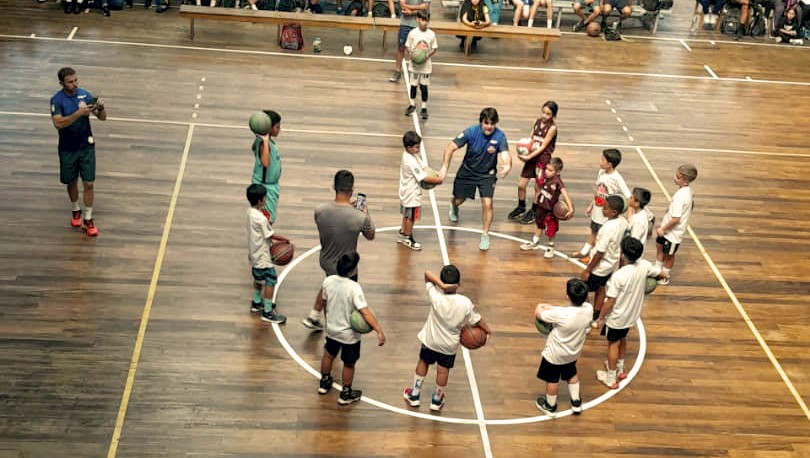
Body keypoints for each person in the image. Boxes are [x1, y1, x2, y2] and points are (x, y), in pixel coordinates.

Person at [403, 266, 491, 411]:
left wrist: (441, 285)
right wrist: (488, 331)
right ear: (459, 283)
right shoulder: (465, 302)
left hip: (431, 340)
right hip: (449, 345)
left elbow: (427, 273)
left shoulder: (435, 296)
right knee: (443, 371)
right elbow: (477, 320)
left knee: (423, 362)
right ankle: (436, 401)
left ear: (442, 282)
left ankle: (414, 395)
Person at [302, 170, 376, 330]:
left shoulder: (319, 210)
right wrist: (365, 213)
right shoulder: (359, 217)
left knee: (328, 285)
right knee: (340, 301)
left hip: (326, 261)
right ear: (352, 189)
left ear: (334, 186)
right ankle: (333, 330)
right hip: (347, 267)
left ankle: (314, 316)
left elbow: (336, 220)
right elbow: (371, 235)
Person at [439, 107, 512, 251]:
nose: (489, 126)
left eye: (492, 123)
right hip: (468, 172)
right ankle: (454, 205)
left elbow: (505, 153)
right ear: (481, 122)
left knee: (487, 204)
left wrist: (507, 165)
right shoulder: (470, 132)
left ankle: (485, 234)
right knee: (459, 200)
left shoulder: (500, 136)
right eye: (486, 123)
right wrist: (445, 167)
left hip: (487, 175)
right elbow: (450, 147)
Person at [318, 252, 385, 405]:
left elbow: (324, 302)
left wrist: (328, 320)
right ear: (353, 270)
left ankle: (324, 383)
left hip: (332, 329)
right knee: (349, 363)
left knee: (328, 354)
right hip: (349, 336)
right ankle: (345, 394)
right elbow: (365, 312)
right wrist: (378, 330)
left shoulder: (328, 281)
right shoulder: (354, 287)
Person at [594, 237, 661, 389]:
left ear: (623, 254)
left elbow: (610, 301)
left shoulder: (619, 276)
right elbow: (661, 274)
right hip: (632, 315)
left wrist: (601, 317)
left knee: (613, 343)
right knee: (622, 338)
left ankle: (611, 378)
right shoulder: (645, 265)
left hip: (617, 317)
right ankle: (620, 369)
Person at [50, 67, 107, 237]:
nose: (74, 84)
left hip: (86, 147)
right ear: (61, 83)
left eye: (76, 80)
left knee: (89, 183)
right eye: (70, 82)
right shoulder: (56, 100)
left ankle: (88, 219)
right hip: (67, 148)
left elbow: (102, 117)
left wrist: (101, 108)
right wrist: (78, 114)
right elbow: (58, 123)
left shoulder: (84, 95)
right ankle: (76, 210)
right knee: (71, 182)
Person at [534, 278, 592, 415]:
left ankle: (550, 406)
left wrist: (541, 305)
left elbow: (539, 313)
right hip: (573, 352)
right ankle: (576, 402)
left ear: (567, 296)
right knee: (571, 373)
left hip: (555, 354)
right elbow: (565, 310)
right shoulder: (588, 309)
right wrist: (553, 308)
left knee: (552, 379)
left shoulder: (561, 314)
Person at [570, 148, 631, 263]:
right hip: (597, 210)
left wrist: (629, 216)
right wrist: (591, 205)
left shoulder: (617, 178)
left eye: (602, 160)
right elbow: (598, 191)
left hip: (606, 214)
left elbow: (629, 196)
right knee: (593, 231)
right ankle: (584, 251)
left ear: (609, 164)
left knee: (601, 236)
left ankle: (592, 255)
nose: (600, 161)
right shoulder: (601, 172)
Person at [580, 195, 627, 327]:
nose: (602, 209)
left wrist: (588, 270)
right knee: (601, 288)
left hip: (600, 267)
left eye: (605, 208)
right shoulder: (623, 222)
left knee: (582, 289)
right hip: (612, 264)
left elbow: (600, 252)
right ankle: (596, 314)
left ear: (614, 212)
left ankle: (585, 315)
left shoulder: (608, 228)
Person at [509, 100, 559, 225]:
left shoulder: (552, 128)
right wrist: (523, 151)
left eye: (548, 114)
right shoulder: (536, 122)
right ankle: (521, 207)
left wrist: (529, 156)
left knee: (538, 187)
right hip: (531, 157)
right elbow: (530, 140)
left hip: (542, 159)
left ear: (553, 115)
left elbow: (543, 146)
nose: (544, 116)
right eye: (543, 112)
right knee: (521, 185)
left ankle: (534, 210)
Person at [245, 184, 289, 324]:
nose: (266, 199)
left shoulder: (249, 212)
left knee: (258, 278)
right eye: (265, 197)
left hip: (254, 253)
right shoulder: (261, 219)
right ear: (260, 200)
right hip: (263, 256)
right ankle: (268, 312)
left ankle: (257, 302)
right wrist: (285, 240)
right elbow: (271, 235)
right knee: (271, 280)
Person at [520, 157, 574, 258]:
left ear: (557, 172)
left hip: (550, 210)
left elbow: (565, 194)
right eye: (546, 169)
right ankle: (535, 242)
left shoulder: (557, 182)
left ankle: (551, 246)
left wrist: (570, 207)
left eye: (550, 170)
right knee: (539, 225)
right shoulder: (544, 177)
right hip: (541, 207)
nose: (547, 172)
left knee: (551, 229)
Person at [398, 131, 443, 251]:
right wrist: (438, 181)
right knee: (411, 217)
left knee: (406, 215)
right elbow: (423, 177)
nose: (418, 149)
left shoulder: (412, 155)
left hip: (406, 191)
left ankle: (403, 232)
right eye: (416, 147)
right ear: (409, 147)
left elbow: (424, 167)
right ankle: (407, 238)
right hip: (411, 194)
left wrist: (436, 173)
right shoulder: (410, 161)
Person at [655, 164, 698, 286]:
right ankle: (657, 271)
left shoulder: (681, 196)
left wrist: (663, 229)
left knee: (669, 255)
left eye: (677, 176)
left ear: (684, 179)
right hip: (667, 229)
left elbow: (676, 219)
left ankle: (664, 276)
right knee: (659, 247)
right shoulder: (688, 191)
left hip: (673, 233)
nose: (674, 177)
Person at [404, 10, 438, 120]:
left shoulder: (431, 34)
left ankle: (424, 107)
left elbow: (434, 48)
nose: (425, 23)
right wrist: (411, 53)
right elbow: (407, 45)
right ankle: (412, 104)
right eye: (423, 20)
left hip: (426, 66)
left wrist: (427, 55)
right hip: (414, 65)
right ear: (418, 20)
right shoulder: (412, 33)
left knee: (424, 86)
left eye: (427, 20)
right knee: (413, 85)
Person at [250, 110, 283, 223]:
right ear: (268, 128)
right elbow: (265, 163)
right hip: (265, 188)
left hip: (270, 186)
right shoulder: (264, 144)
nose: (279, 129)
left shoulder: (265, 141)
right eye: (277, 127)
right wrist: (265, 141)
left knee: (267, 219)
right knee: (266, 220)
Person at [389, 0, 431, 83]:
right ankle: (397, 71)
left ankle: (418, 72)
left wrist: (411, 11)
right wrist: (418, 8)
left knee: (419, 49)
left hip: (419, 24)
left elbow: (426, 7)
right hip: (405, 23)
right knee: (401, 48)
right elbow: (402, 5)